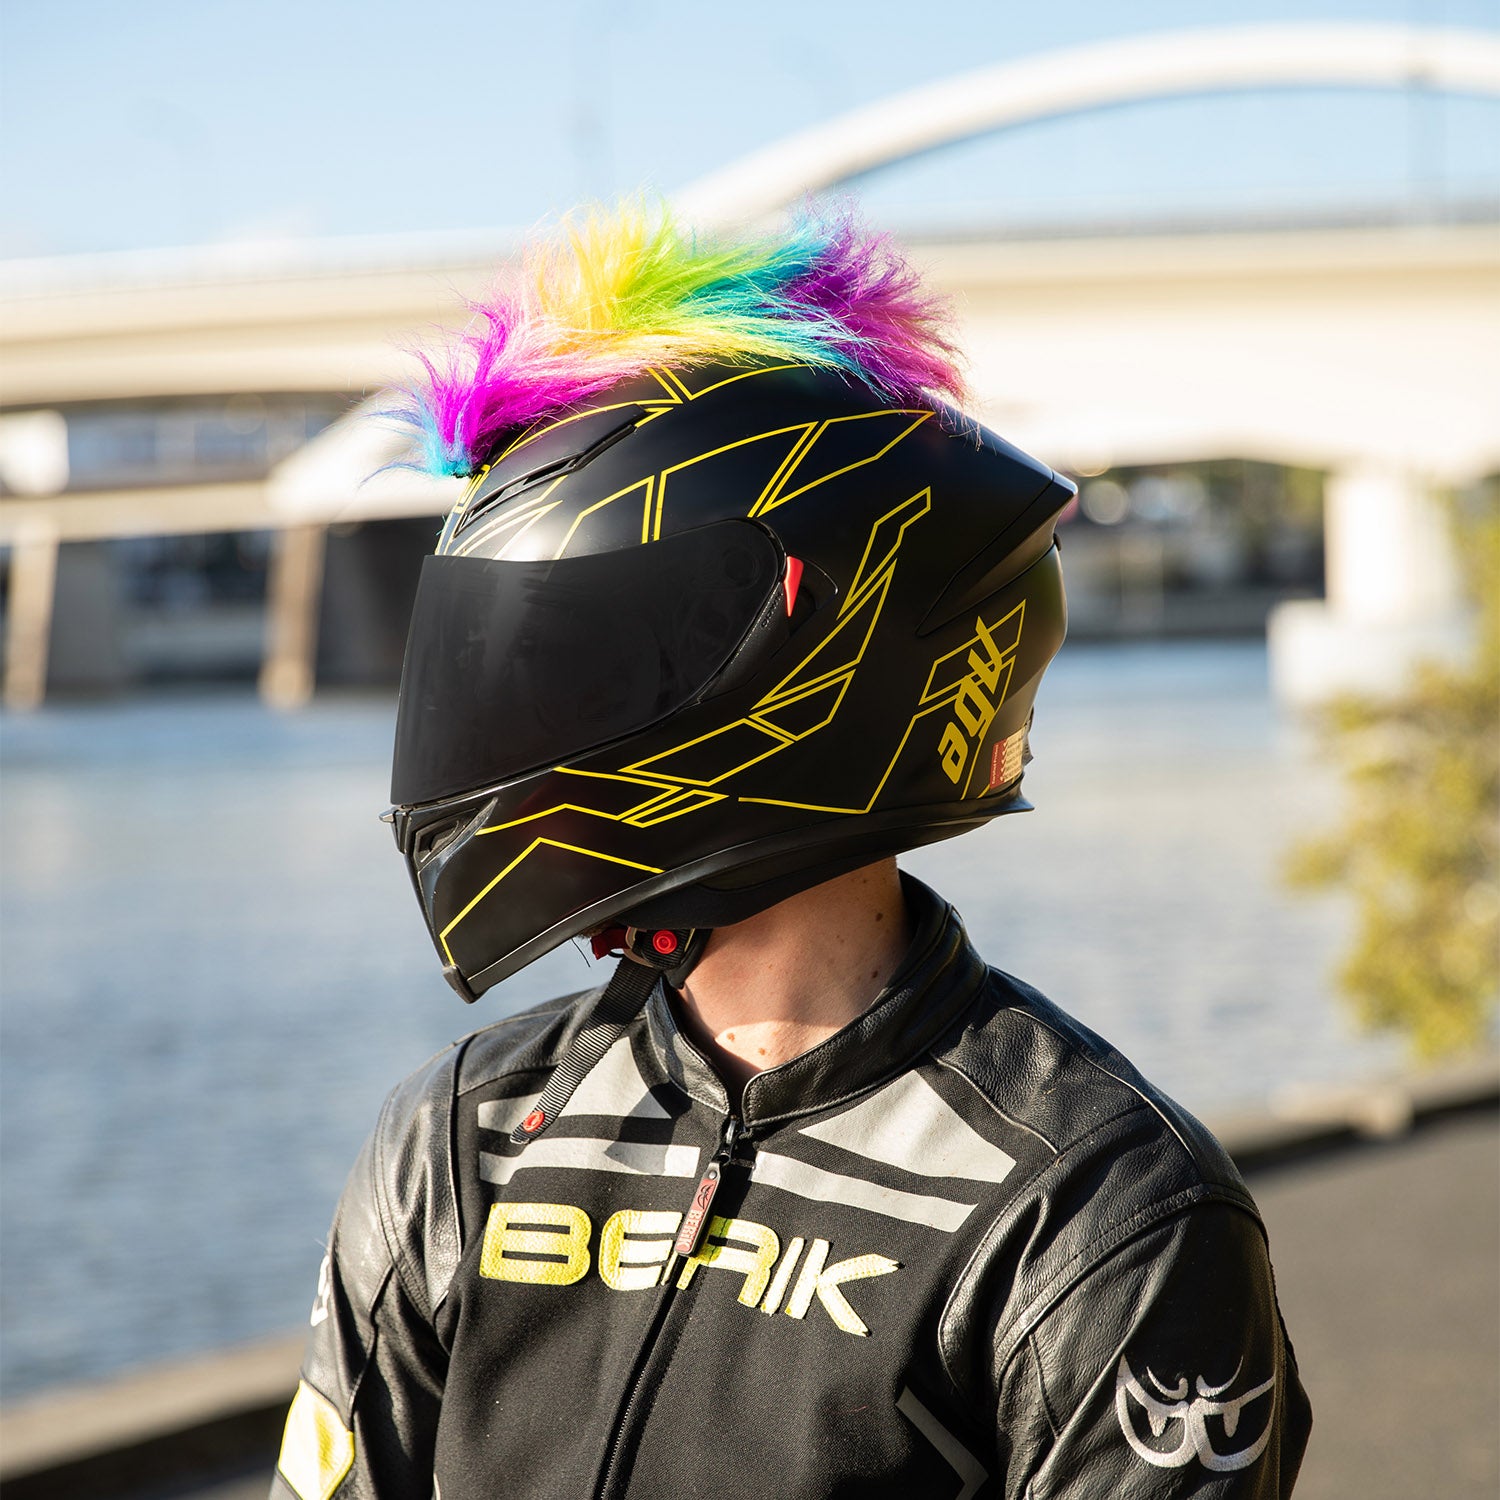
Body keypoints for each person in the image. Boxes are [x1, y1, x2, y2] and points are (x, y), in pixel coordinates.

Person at [271, 202, 1311, 1499]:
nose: (516, 722)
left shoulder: (1094, 1207)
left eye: (581, 669)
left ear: (809, 662)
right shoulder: (462, 1139)